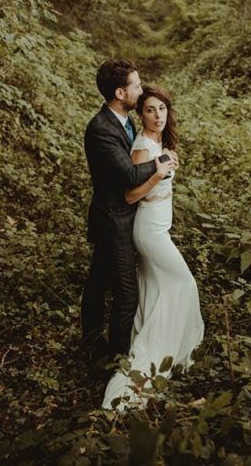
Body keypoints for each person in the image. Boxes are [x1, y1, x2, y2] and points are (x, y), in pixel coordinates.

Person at [102, 84, 204, 410]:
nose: (157, 116)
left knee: (155, 289)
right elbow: (131, 195)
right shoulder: (144, 147)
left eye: (161, 109)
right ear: (140, 113)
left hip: (161, 227)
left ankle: (164, 355)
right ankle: (156, 356)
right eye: (150, 110)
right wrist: (158, 174)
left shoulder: (161, 140)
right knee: (183, 284)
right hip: (149, 230)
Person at [81, 59, 178, 363]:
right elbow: (129, 175)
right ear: (121, 93)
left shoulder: (125, 121)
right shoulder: (100, 129)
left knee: (98, 282)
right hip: (115, 220)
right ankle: (117, 359)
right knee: (126, 295)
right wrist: (162, 161)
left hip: (127, 214)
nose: (140, 88)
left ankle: (91, 340)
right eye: (135, 85)